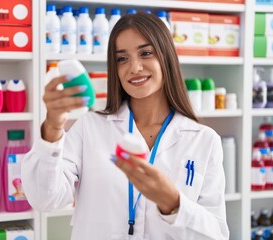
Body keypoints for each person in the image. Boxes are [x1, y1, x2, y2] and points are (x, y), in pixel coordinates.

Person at [22, 12, 229, 239]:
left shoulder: (204, 140)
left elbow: (217, 234)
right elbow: (44, 199)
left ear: (166, 57)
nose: (135, 67)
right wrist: (52, 126)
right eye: (122, 58)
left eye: (146, 53)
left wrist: (173, 202)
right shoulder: (90, 128)